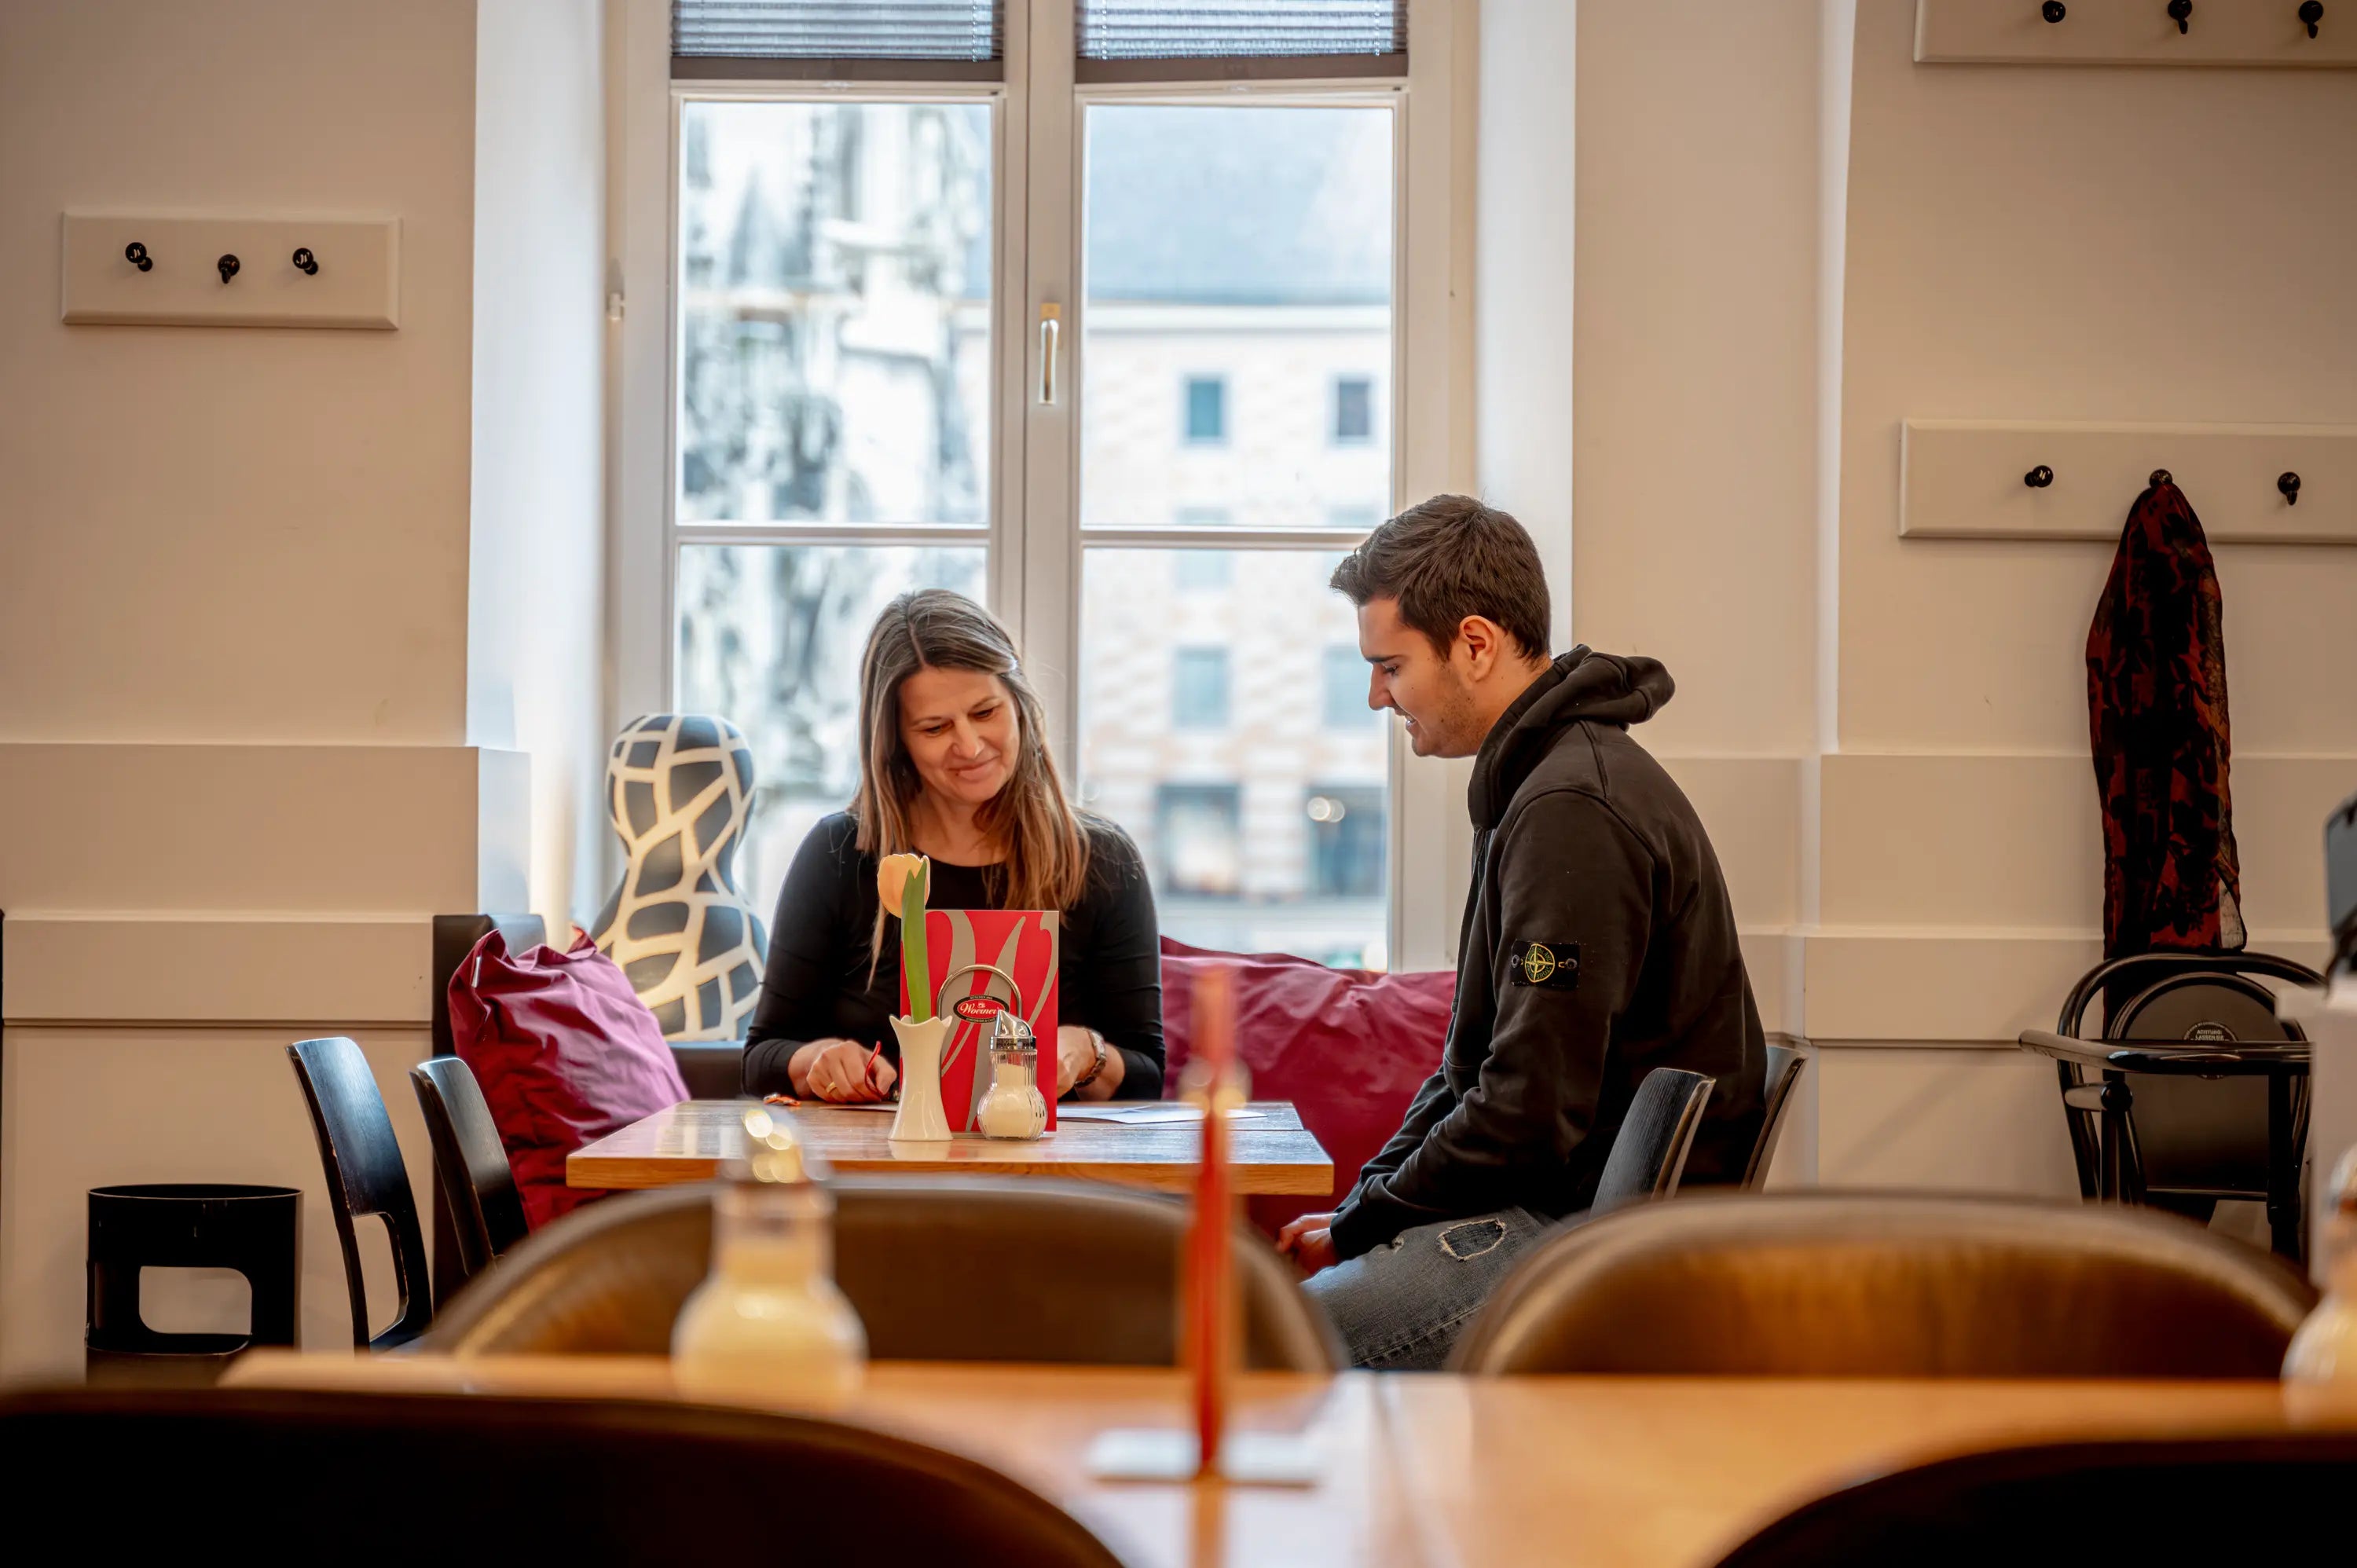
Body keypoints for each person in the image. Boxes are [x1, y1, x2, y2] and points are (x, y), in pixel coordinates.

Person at [1277, 496, 1765, 1369]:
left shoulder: (1571, 809)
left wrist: (1367, 1222)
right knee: (1258, 1330)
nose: (1375, 695)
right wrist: (1366, 1207)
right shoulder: (1539, 783)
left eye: (1391, 666)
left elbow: (1528, 1116)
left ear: (1474, 643)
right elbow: (1469, 1071)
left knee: (1255, 1355)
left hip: (1586, 1244)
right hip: (1557, 1210)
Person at [742, 590, 1164, 1105]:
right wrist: (816, 1060)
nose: (969, 746)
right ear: (896, 740)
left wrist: (1087, 1052)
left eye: (985, 712)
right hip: (883, 1168)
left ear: (1020, 706)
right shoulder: (840, 853)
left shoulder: (1103, 860)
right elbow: (762, 1058)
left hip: (1050, 1174)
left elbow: (1147, 1074)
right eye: (935, 727)